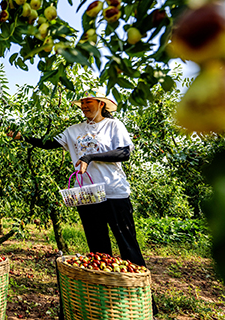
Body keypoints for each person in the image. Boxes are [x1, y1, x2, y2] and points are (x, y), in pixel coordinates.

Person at [8, 88, 146, 267]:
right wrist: (22, 137)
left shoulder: (113, 125)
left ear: (101, 103)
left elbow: (124, 153)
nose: (84, 106)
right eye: (82, 103)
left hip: (114, 191)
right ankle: (104, 288)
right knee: (97, 249)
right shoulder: (73, 130)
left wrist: (89, 157)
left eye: (88, 102)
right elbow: (48, 143)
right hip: (87, 195)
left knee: (127, 244)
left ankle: (140, 290)